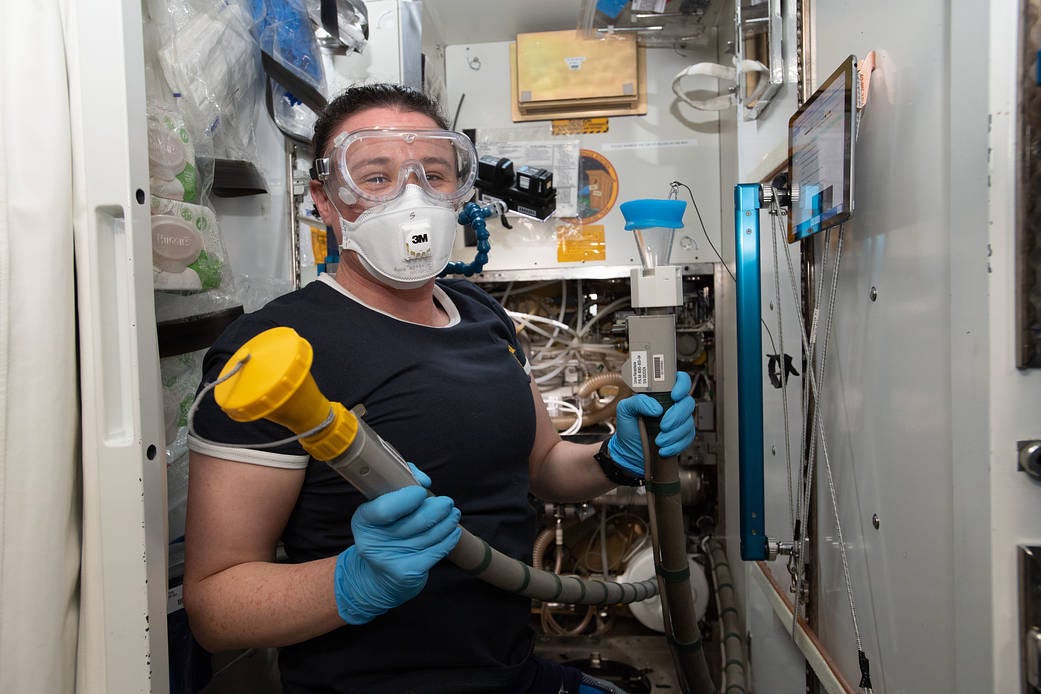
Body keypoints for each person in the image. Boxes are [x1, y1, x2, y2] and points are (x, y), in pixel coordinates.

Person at [183, 83, 696, 694]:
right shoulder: (274, 350)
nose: (413, 197)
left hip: (512, 674)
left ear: (461, 190)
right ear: (324, 200)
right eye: (376, 178)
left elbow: (544, 468)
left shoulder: (482, 314)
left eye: (433, 174)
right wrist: (351, 582)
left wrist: (616, 457)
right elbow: (215, 607)